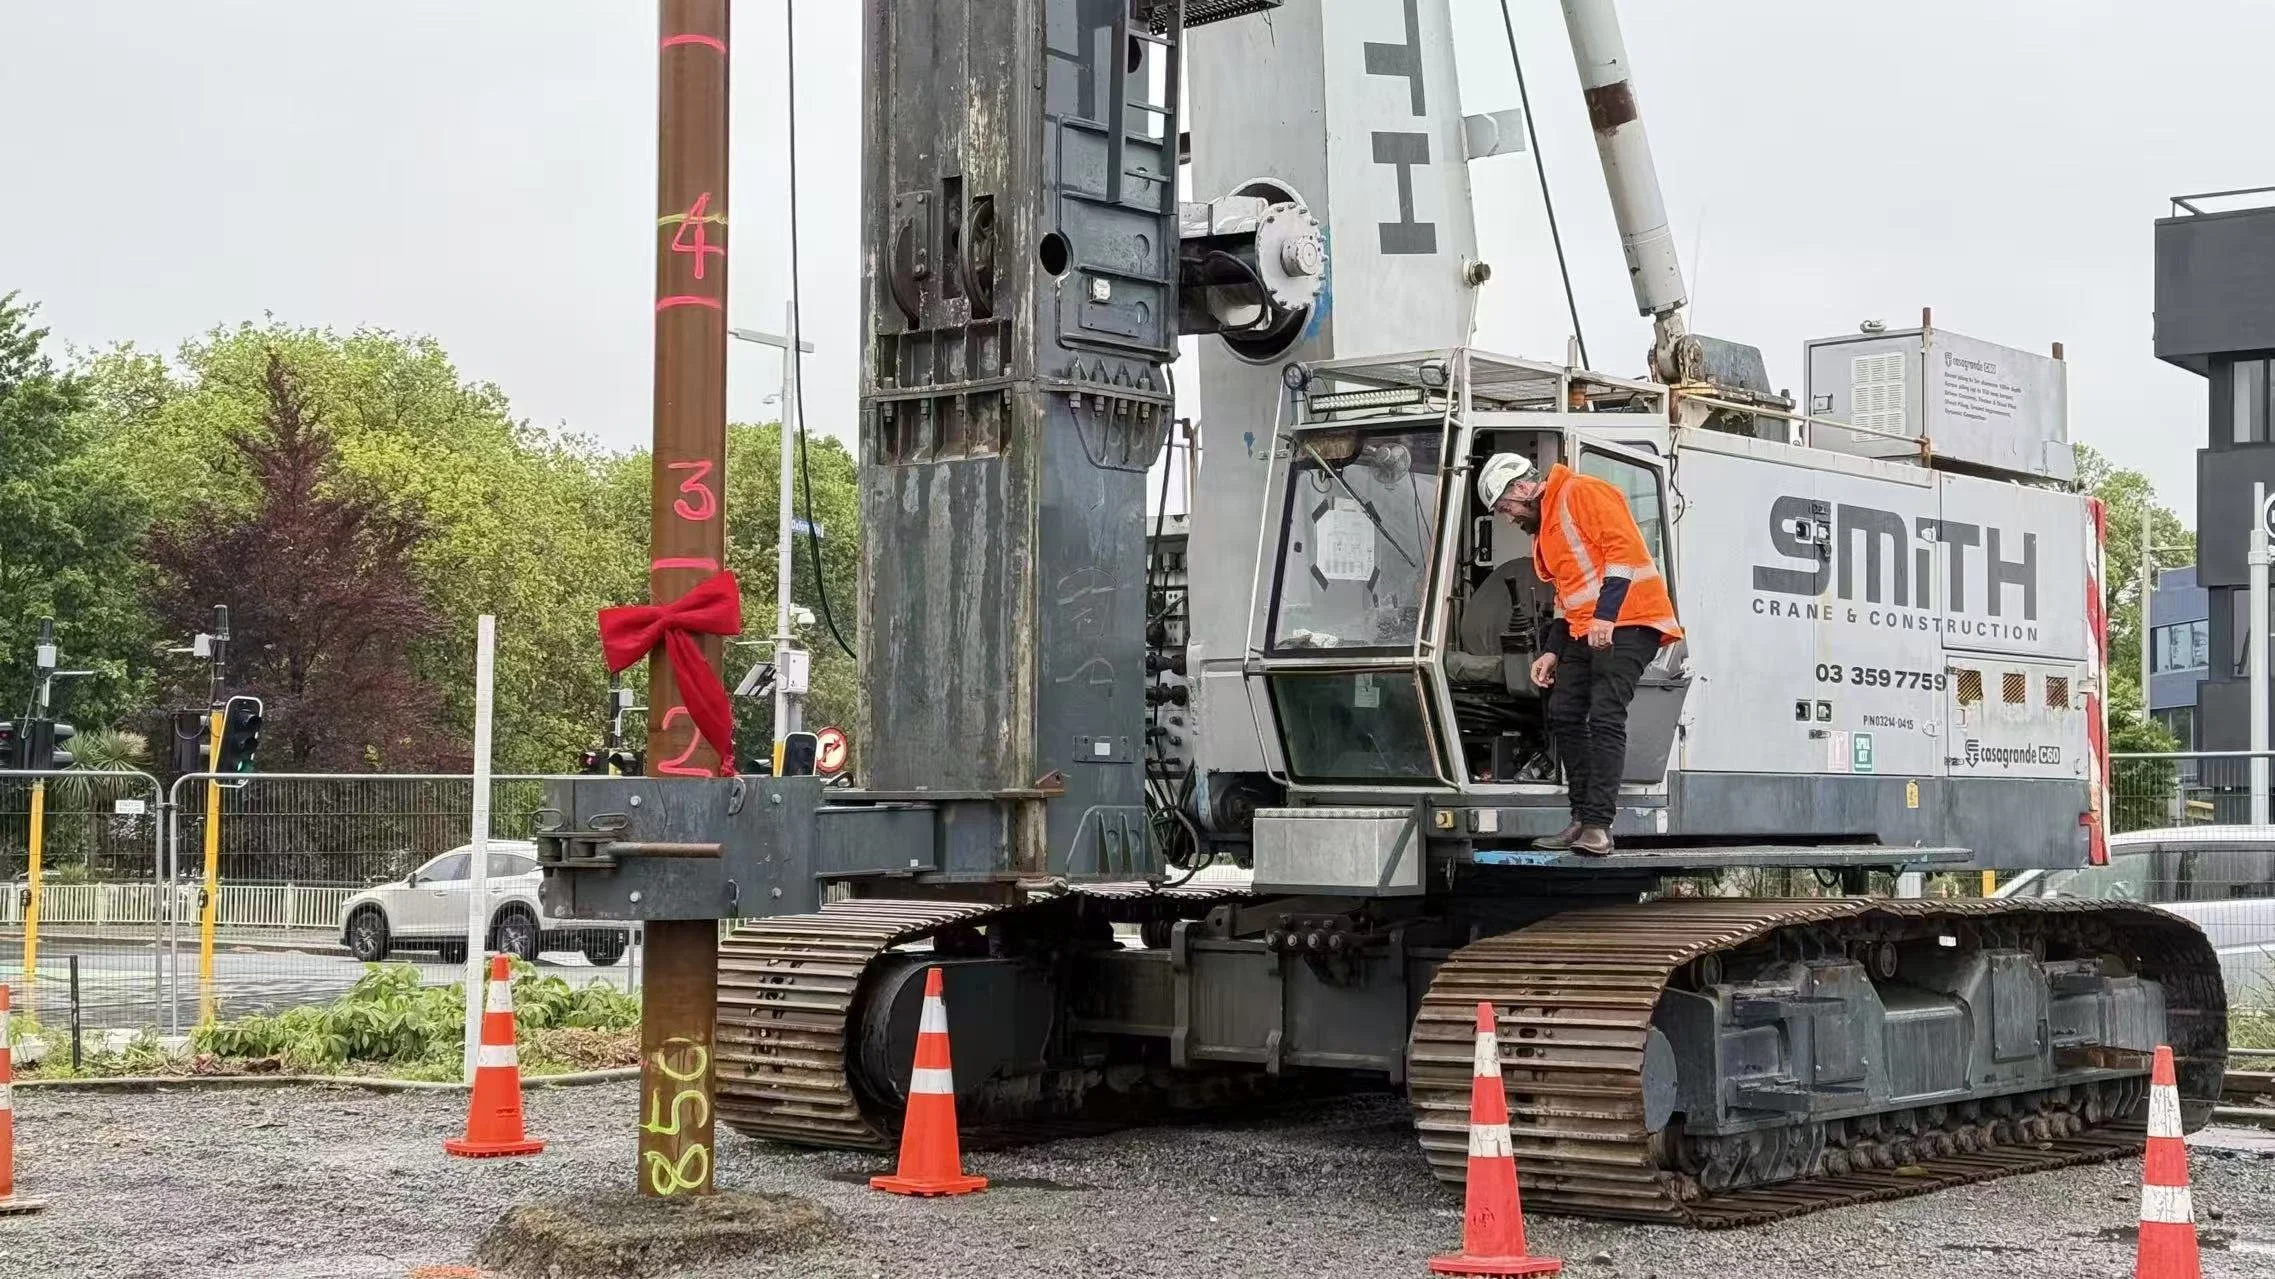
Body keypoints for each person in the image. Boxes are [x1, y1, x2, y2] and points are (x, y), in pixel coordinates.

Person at [1477, 452, 1683, 855]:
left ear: (1522, 488)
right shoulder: (1548, 528)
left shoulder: (1583, 491)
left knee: (1605, 715)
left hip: (1630, 621)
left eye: (1507, 507)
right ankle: (1580, 818)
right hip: (1584, 627)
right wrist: (1552, 650)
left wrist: (1607, 616)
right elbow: (1567, 597)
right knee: (1564, 713)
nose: (1509, 517)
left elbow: (1622, 554)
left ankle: (1598, 827)